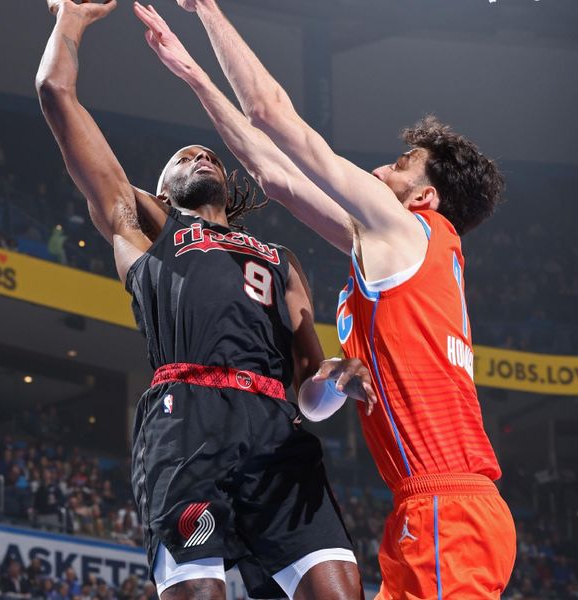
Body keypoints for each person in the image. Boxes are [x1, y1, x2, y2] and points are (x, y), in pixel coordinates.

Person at [135, 1, 516, 598]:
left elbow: (271, 113)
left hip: (450, 508)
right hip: (427, 505)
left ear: (424, 199)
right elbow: (276, 180)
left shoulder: (403, 230)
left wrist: (206, 10)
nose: (383, 166)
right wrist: (194, 77)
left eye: (401, 165)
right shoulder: (397, 248)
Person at [35, 1, 378, 599]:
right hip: (186, 423)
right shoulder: (144, 227)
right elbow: (54, 91)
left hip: (276, 434)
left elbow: (310, 395)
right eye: (182, 158)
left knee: (341, 590)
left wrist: (336, 378)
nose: (199, 155)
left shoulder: (279, 259)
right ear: (162, 189)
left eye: (209, 154)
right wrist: (70, 18)